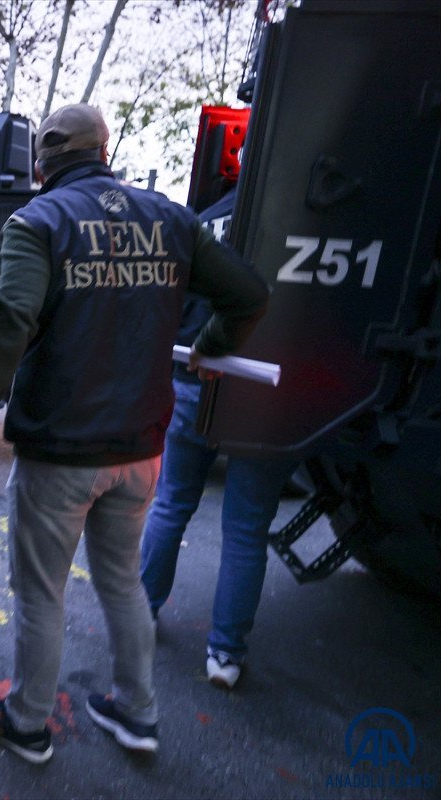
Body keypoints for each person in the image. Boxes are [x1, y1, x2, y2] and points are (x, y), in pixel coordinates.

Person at [0, 104, 269, 762]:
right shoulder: (170, 218)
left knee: (42, 590)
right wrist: (211, 346)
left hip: (62, 452)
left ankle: (29, 723)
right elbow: (248, 293)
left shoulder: (37, 221)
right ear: (105, 148)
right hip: (142, 449)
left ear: (42, 163)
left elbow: (11, 323)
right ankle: (138, 713)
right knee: (121, 582)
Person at [139, 187, 297, 690]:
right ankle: (224, 654)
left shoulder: (203, 222)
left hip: (193, 380)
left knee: (171, 504)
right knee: (247, 531)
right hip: (266, 395)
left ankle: (142, 612)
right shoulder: (301, 226)